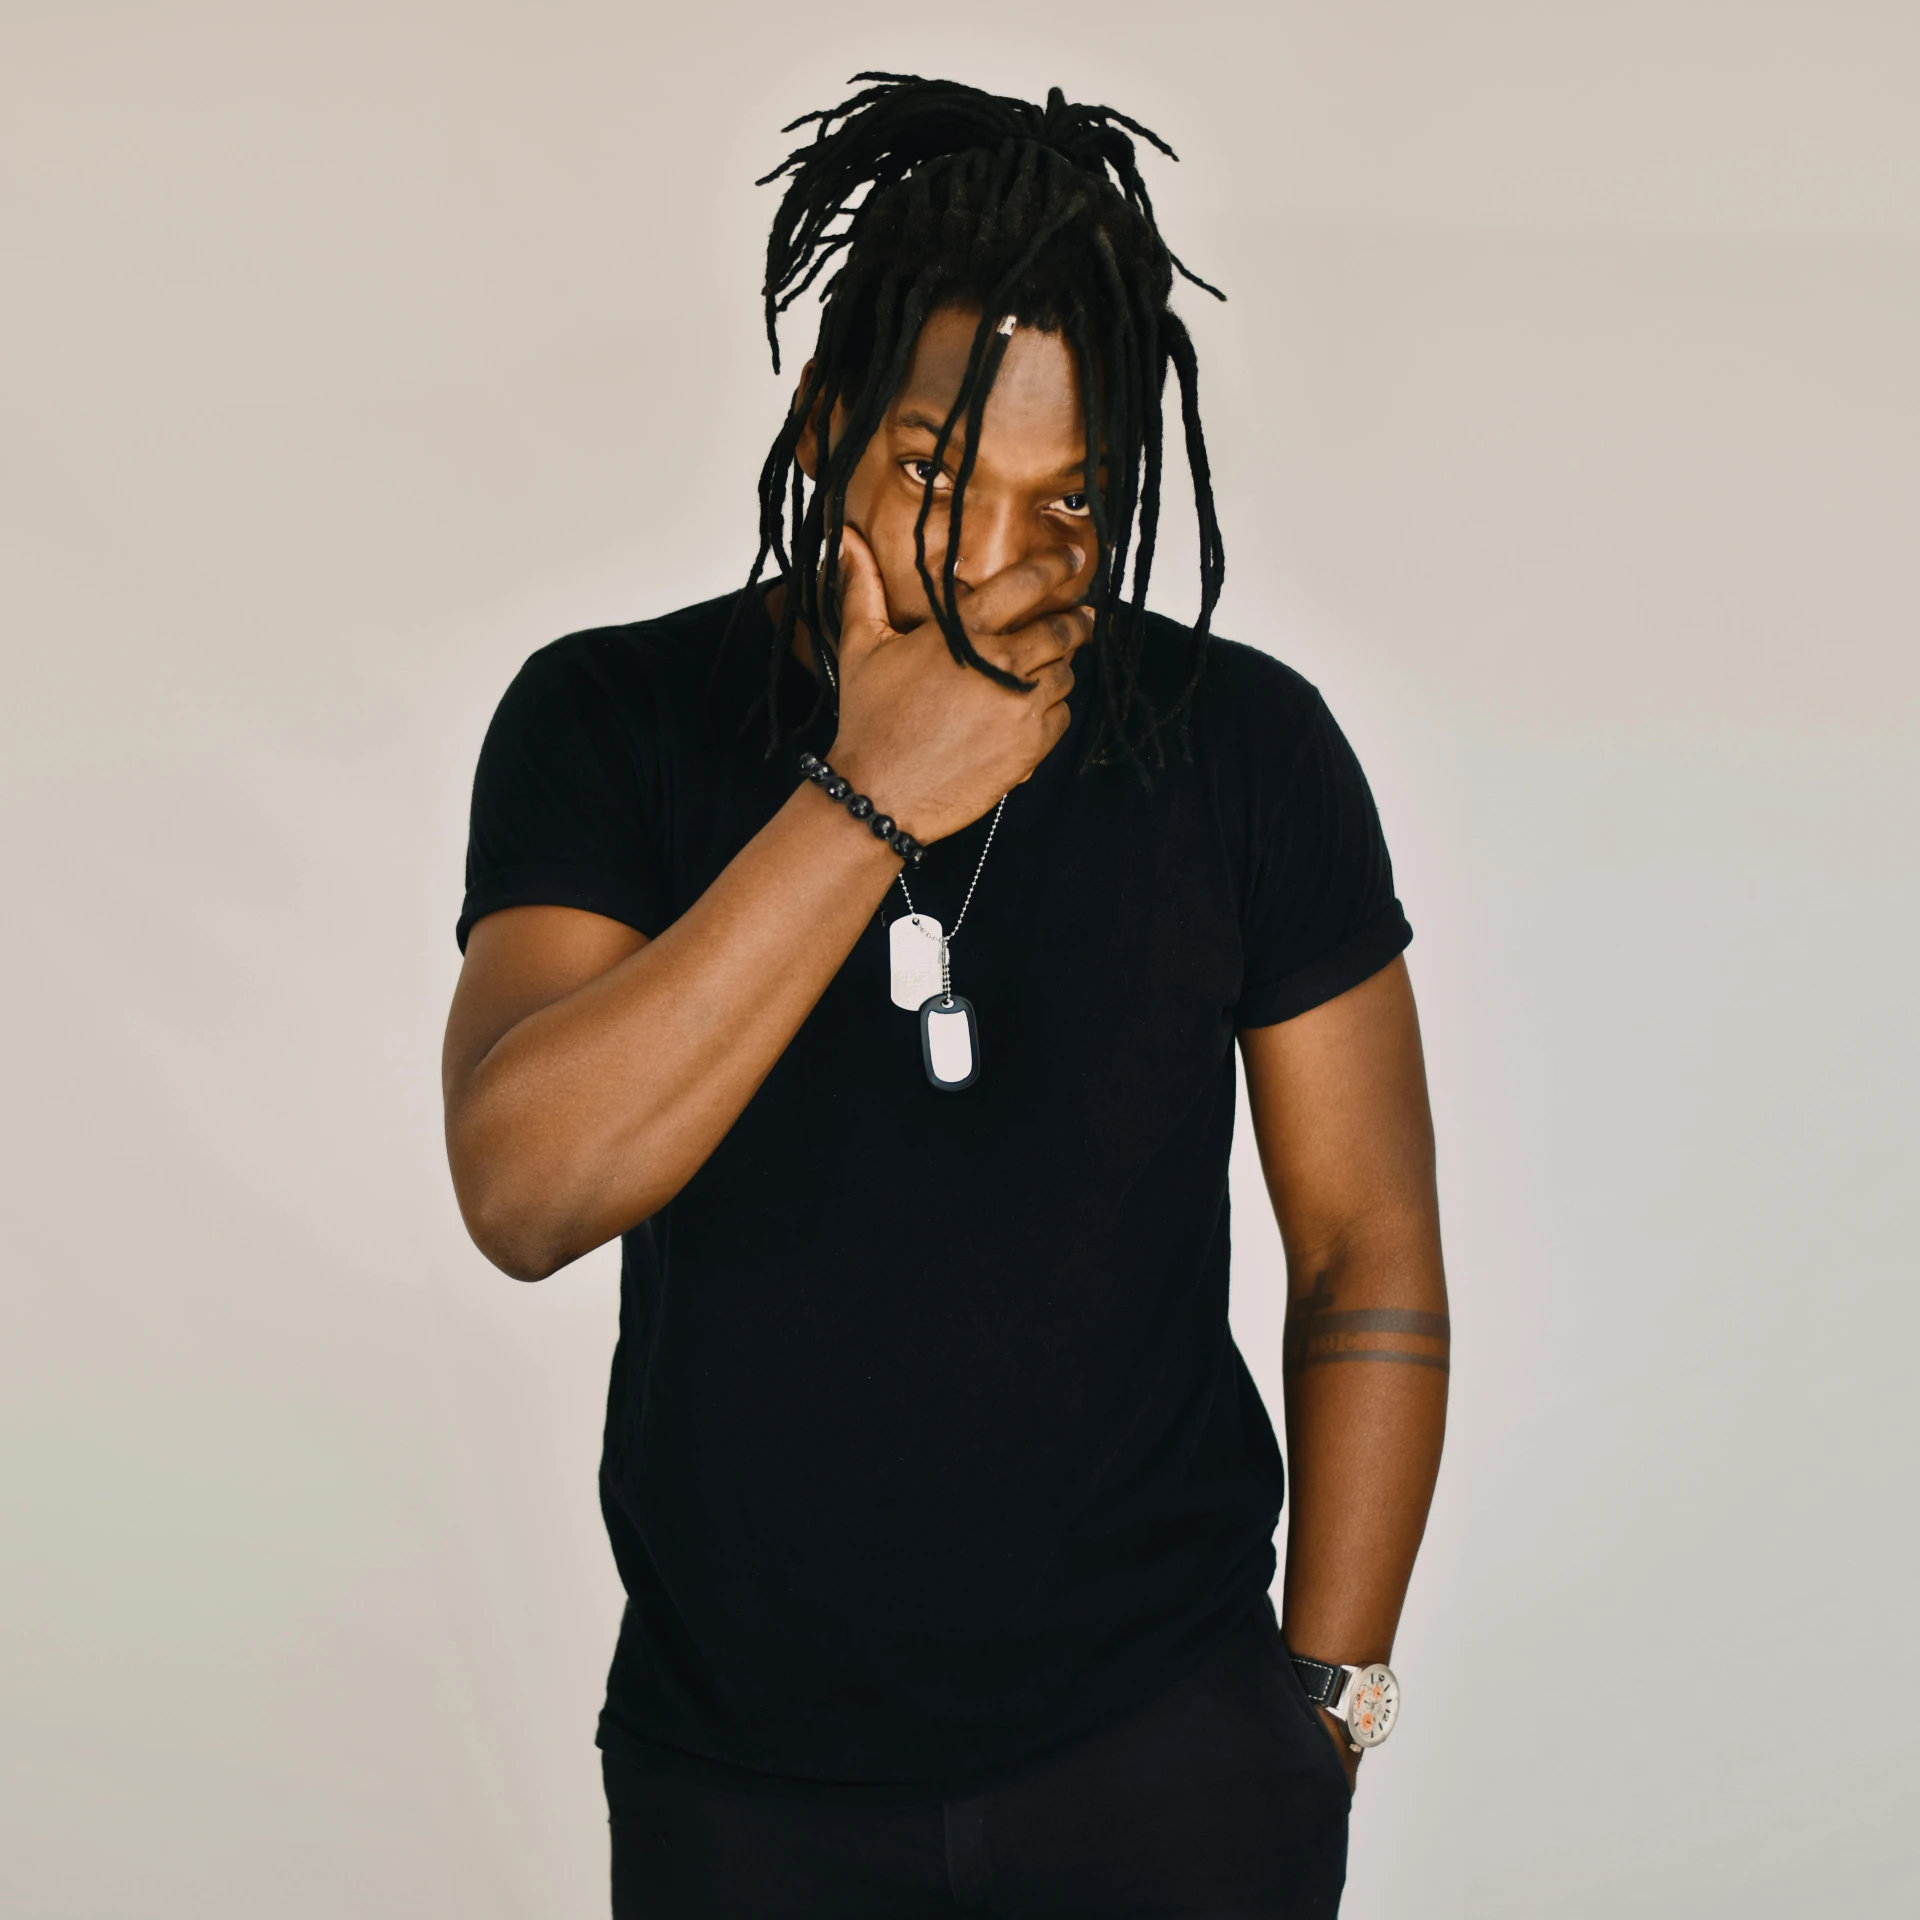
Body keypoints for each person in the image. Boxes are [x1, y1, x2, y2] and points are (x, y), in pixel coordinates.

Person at [442, 73, 1448, 1919]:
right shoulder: (612, 724)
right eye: (934, 473)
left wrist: (1325, 1701)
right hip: (744, 1783)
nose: (995, 561)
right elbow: (525, 1188)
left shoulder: (1243, 750)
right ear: (828, 425)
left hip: (1177, 1763)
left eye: (1068, 501)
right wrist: (868, 796)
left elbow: (1368, 1245)